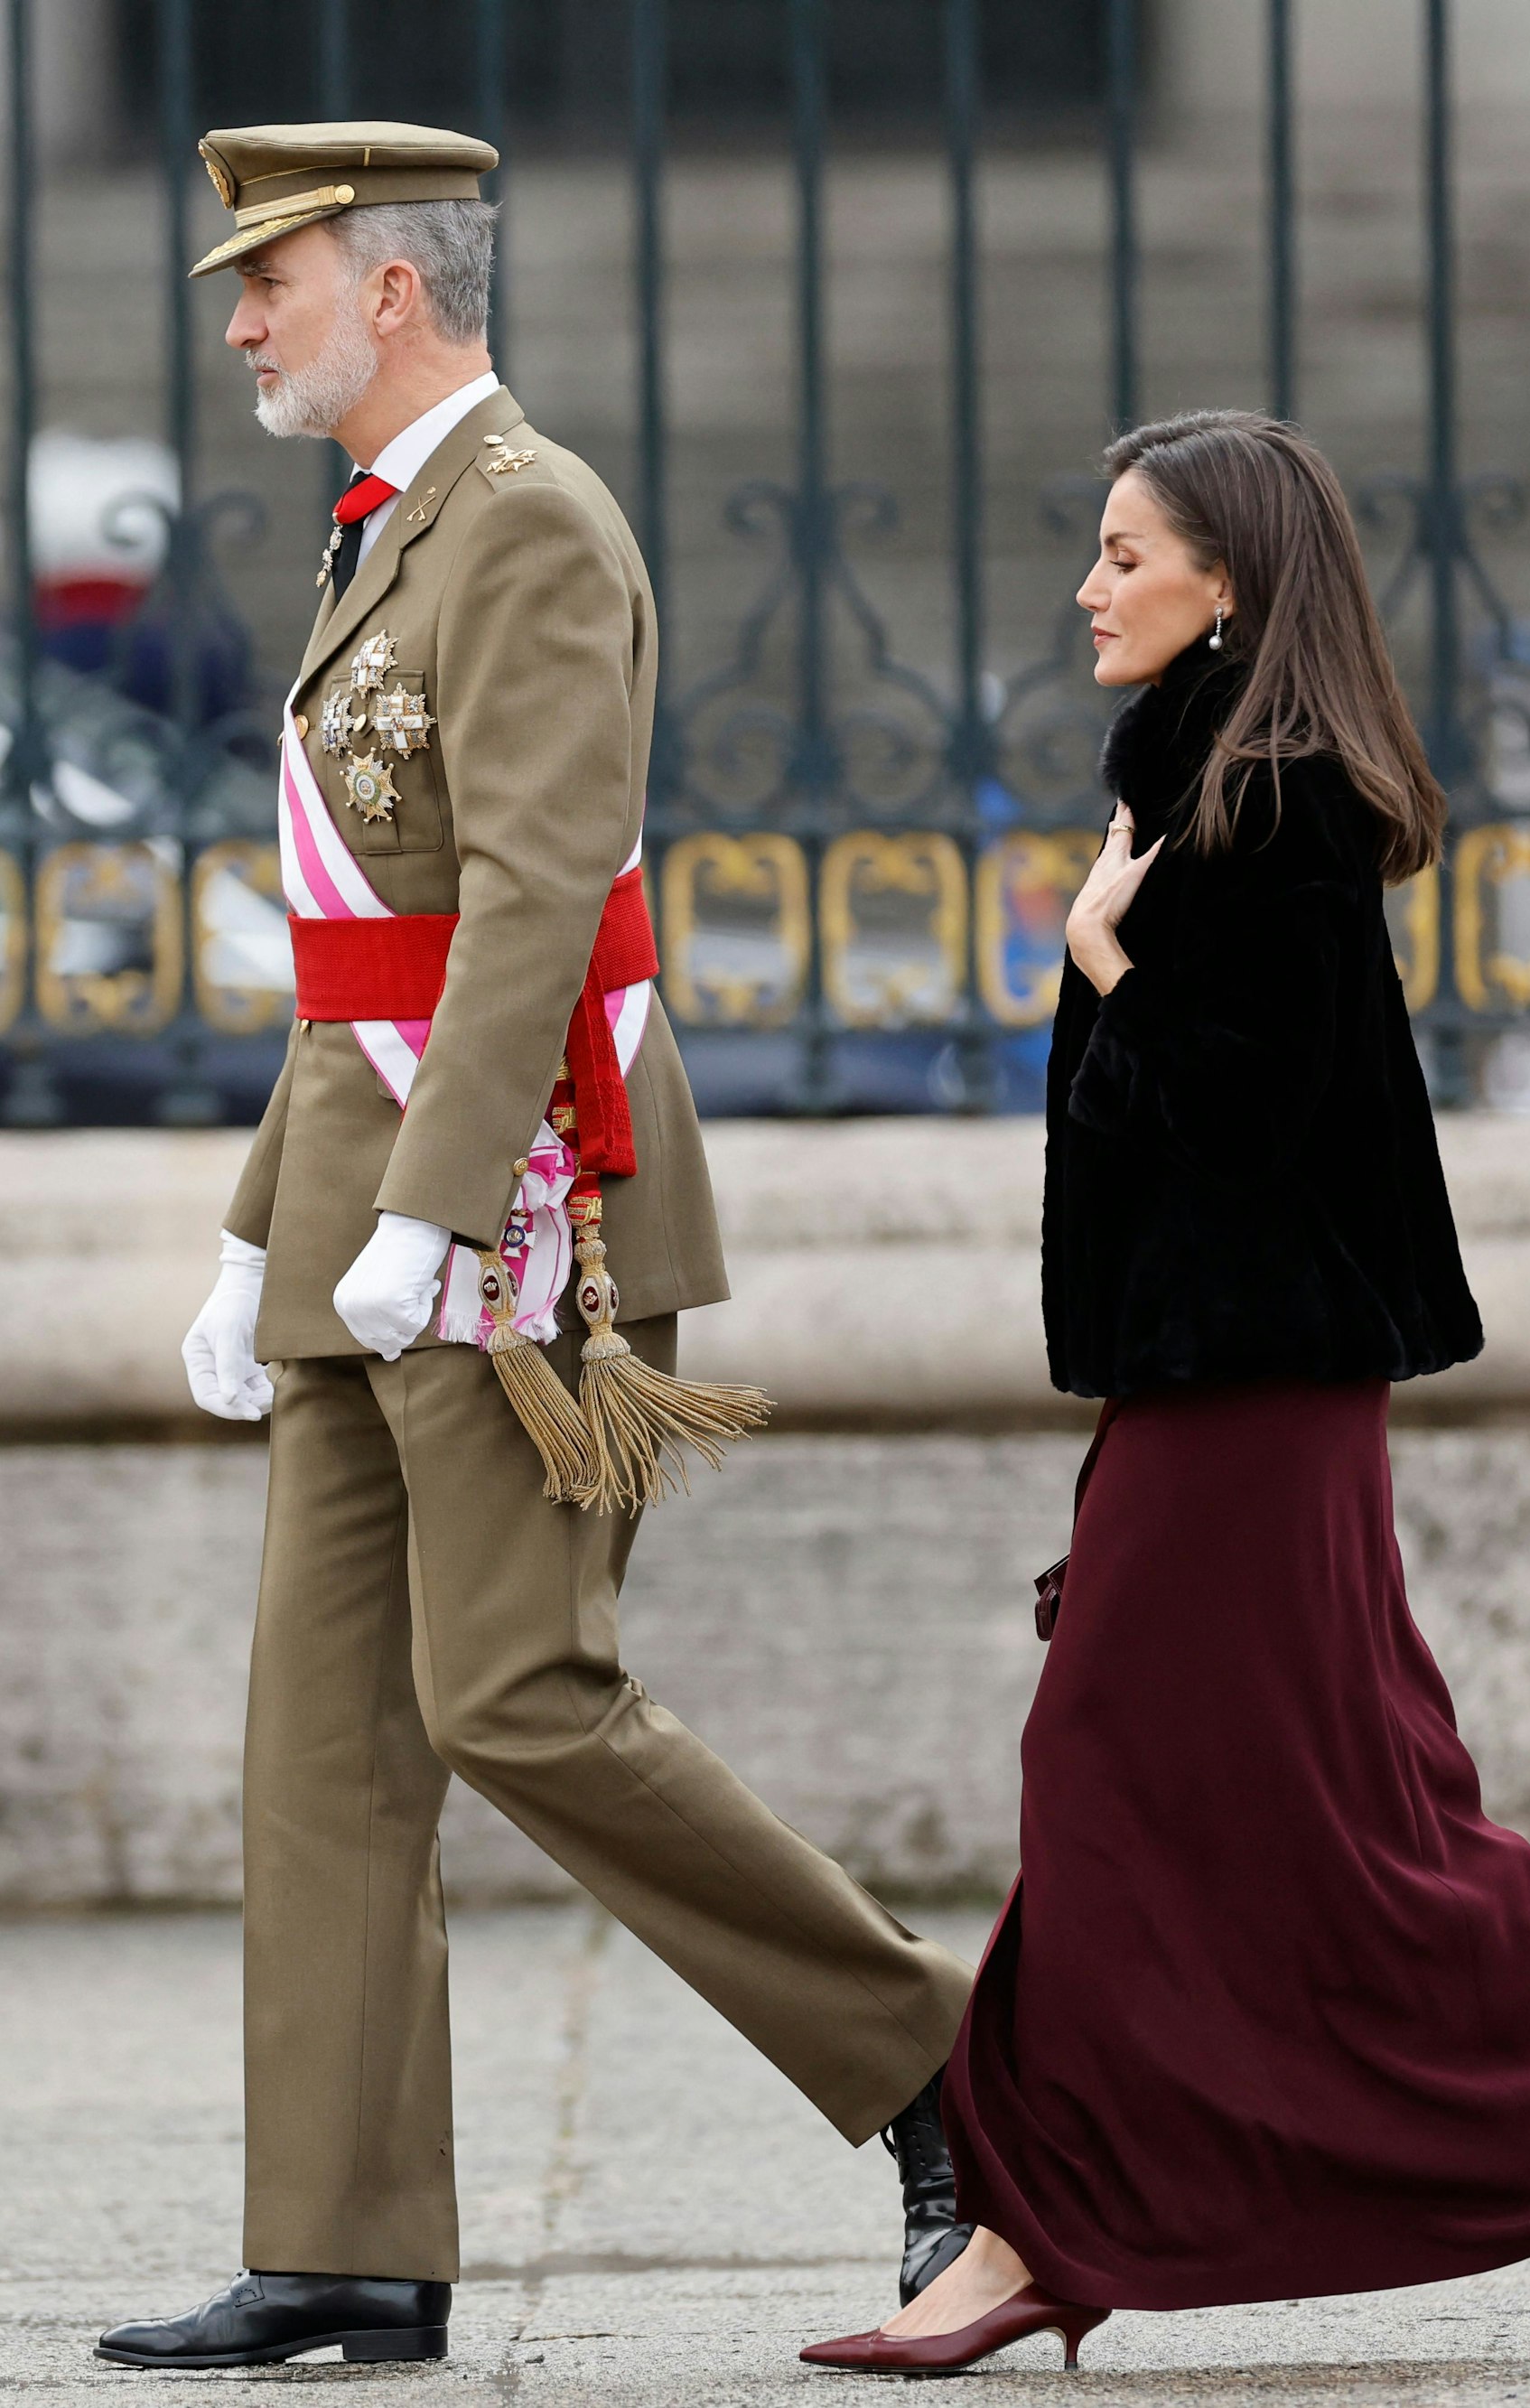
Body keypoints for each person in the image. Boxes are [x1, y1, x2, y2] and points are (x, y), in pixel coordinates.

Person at [96, 121, 972, 2374]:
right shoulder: (381, 533)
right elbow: (348, 951)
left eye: (267, 279)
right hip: (361, 1208)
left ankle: (942, 2068)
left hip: (516, 1208)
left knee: (514, 1693)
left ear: (391, 287)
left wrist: (419, 1208)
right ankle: (346, 2241)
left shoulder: (534, 524)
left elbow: (534, 900)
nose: (239, 321)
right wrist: (251, 1238)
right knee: (325, 1746)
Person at [801, 409, 1530, 2376]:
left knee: (1138, 1771)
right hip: (1219, 1371)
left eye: (1121, 552)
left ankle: (1035, 2228)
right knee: (1352, 1791)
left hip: (1255, 1377)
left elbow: (1249, 1116)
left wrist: (1101, 954)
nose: (1086, 586)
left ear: (1227, 578)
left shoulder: (1282, 799)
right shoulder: (1200, 774)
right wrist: (1111, 953)